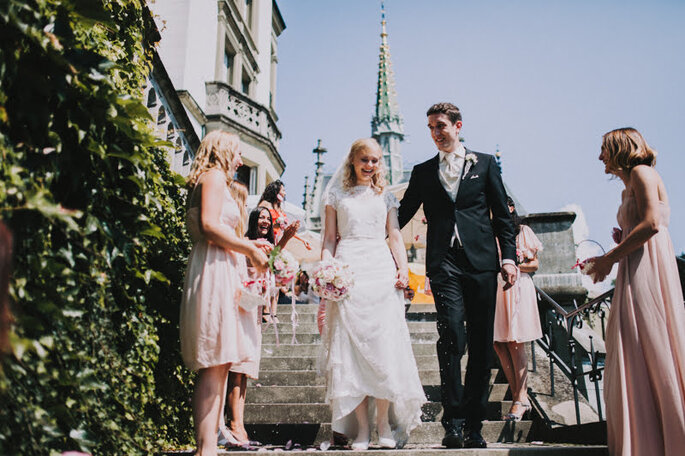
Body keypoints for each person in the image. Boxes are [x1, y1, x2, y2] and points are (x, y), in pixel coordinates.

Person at [398, 103, 517, 449]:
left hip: (481, 262)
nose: (436, 133)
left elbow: (502, 216)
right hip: (443, 262)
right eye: (431, 128)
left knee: (481, 344)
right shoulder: (422, 172)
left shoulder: (485, 164)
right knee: (451, 335)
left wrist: (508, 258)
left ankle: (475, 424)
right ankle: (453, 421)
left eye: (441, 126)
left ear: (458, 126)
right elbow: (404, 212)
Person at [320, 138, 425, 450]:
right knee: (351, 352)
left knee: (382, 350)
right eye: (364, 159)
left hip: (380, 270)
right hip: (348, 271)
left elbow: (393, 235)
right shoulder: (335, 194)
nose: (370, 166)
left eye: (375, 160)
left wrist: (402, 269)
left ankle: (383, 424)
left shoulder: (386, 197)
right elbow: (328, 239)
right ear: (353, 160)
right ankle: (362, 429)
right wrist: (327, 270)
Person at [589, 127, 685, 456]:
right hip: (634, 264)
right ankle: (646, 440)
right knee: (631, 347)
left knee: (651, 342)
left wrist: (607, 259)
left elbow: (653, 224)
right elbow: (640, 226)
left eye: (604, 149)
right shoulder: (627, 186)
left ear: (619, 149)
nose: (600, 156)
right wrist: (622, 237)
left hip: (648, 268)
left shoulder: (643, 173)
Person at [179, 130, 270, 456]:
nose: (241, 161)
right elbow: (209, 225)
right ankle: (206, 448)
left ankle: (210, 443)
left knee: (220, 361)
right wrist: (248, 247)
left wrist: (249, 247)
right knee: (214, 361)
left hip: (220, 268)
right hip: (215, 270)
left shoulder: (211, 179)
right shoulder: (215, 177)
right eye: (237, 153)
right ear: (222, 151)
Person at [215, 181, 264, 448]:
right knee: (232, 369)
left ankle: (236, 425)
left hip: (245, 307)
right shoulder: (232, 238)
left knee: (242, 370)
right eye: (241, 202)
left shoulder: (240, 238)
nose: (244, 208)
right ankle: (228, 425)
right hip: (234, 306)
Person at [493, 198, 543, 421]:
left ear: (510, 208)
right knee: (497, 343)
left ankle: (520, 398)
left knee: (515, 341)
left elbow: (534, 264)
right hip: (496, 288)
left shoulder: (523, 231)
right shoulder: (489, 231)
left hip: (519, 286)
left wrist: (512, 263)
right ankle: (518, 396)